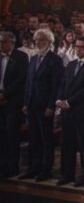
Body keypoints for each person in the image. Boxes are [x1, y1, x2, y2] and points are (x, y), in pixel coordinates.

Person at [56, 35, 84, 187]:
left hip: (82, 111)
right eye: (77, 46)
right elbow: (63, 83)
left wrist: (69, 102)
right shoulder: (71, 64)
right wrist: (59, 99)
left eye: (82, 47)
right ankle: (67, 174)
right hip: (67, 111)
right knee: (67, 143)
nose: (79, 49)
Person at [21, 29, 62, 181]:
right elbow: (29, 83)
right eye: (36, 40)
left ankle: (45, 170)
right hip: (32, 105)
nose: (38, 43)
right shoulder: (32, 59)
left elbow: (56, 85)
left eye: (42, 40)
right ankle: (34, 167)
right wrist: (26, 102)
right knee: (34, 138)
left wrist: (51, 106)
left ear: (49, 42)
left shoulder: (55, 60)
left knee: (46, 139)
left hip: (45, 106)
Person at [0, 31, 28, 178]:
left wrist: (5, 94)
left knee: (12, 135)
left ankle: (12, 166)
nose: (1, 45)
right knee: (1, 135)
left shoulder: (21, 57)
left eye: (3, 42)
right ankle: (2, 164)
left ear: (11, 42)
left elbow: (21, 79)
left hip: (13, 101)